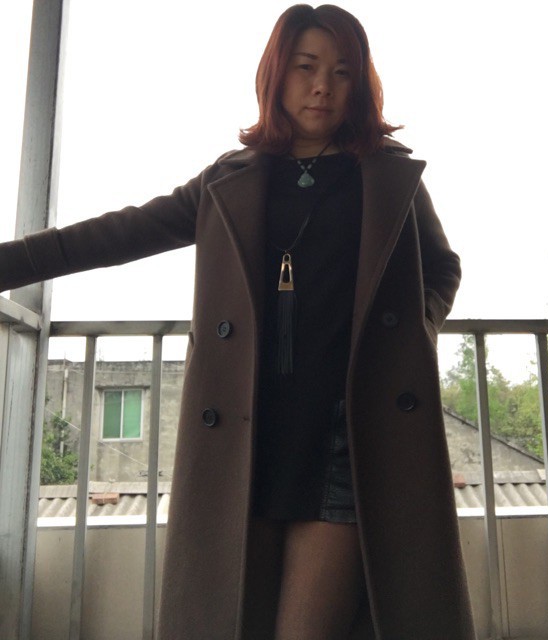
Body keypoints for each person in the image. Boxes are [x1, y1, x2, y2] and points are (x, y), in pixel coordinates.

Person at [0, 4, 475, 639]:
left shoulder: (388, 176)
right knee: (234, 617)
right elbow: (117, 233)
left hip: (347, 434)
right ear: (276, 74)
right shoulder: (231, 179)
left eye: (342, 71)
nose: (323, 86)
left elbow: (442, 268)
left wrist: (412, 332)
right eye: (306, 67)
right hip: (249, 436)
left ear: (360, 83)